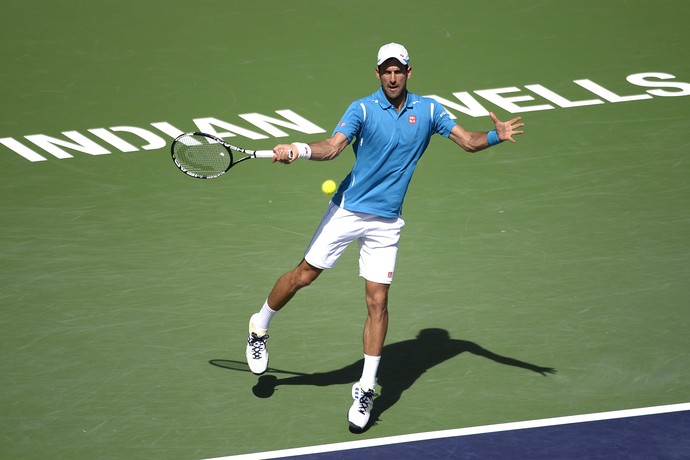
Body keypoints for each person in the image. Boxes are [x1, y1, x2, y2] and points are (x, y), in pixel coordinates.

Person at [245, 42, 525, 433]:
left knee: (378, 301)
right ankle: (260, 324)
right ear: (377, 74)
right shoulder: (361, 109)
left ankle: (365, 386)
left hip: (386, 222)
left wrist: (494, 136)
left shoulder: (429, 110)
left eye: (399, 70)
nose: (393, 76)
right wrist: (299, 149)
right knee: (304, 275)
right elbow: (333, 147)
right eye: (386, 71)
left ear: (409, 72)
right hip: (348, 211)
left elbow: (467, 141)